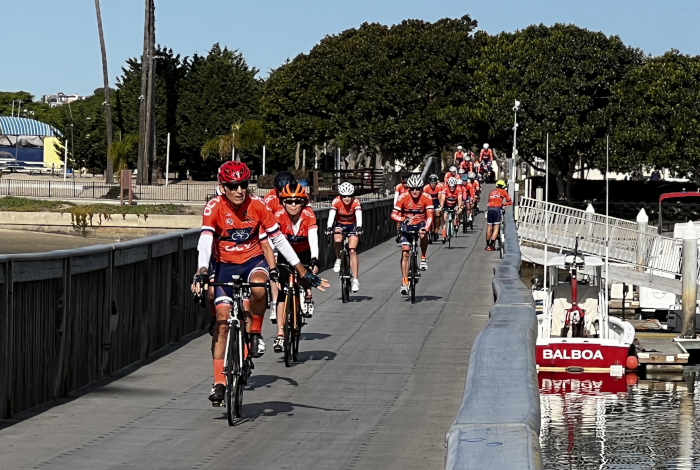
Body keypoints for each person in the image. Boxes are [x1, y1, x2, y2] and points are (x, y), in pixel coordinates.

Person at [191, 161, 327, 406]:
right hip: (223, 263)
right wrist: (201, 271)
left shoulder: (258, 205)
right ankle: (219, 383)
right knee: (222, 323)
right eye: (233, 186)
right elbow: (204, 241)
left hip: (253, 261)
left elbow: (278, 240)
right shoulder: (214, 207)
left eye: (243, 185)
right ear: (223, 187)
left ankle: (254, 331)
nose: (239, 190)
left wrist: (301, 270)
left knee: (258, 286)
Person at [272, 183, 320, 352]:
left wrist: (314, 259)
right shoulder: (277, 215)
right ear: (283, 203)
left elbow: (313, 238)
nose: (293, 205)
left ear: (303, 203)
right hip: (285, 254)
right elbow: (272, 243)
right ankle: (279, 334)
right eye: (289, 201)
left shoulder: (308, 215)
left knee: (306, 275)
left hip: (304, 251)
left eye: (297, 202)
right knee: (282, 294)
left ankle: (307, 294)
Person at [391, 175, 434, 294]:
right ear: (408, 189)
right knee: (405, 252)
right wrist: (402, 218)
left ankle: (423, 257)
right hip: (407, 225)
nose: (415, 191)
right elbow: (393, 214)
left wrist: (425, 228)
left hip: (421, 223)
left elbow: (430, 215)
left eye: (418, 189)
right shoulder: (403, 197)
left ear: (421, 188)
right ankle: (404, 281)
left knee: (423, 235)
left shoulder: (427, 197)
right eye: (412, 189)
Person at [327, 182, 362, 293]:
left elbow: (358, 215)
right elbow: (331, 215)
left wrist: (360, 226)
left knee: (352, 250)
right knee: (337, 239)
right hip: (339, 225)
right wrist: (328, 227)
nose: (347, 198)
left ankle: (355, 280)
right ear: (340, 196)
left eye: (349, 196)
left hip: (352, 226)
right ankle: (338, 259)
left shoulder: (356, 202)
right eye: (344, 196)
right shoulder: (336, 201)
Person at [485, 180, 513, 251]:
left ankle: (487, 245)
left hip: (489, 209)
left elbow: (489, 201)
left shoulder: (491, 192)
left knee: (489, 226)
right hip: (497, 209)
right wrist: (503, 204)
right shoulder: (503, 192)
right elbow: (510, 202)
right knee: (496, 226)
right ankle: (491, 245)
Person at [439, 176, 462, 243]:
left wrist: (459, 208)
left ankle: (456, 223)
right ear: (448, 185)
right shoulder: (445, 188)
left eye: (453, 186)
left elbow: (460, 199)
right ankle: (444, 236)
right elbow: (442, 198)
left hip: (455, 204)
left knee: (458, 212)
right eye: (450, 186)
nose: (452, 188)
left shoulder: (458, 188)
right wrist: (441, 207)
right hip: (446, 204)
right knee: (444, 218)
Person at [423, 174, 443, 241]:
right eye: (431, 183)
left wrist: (440, 206)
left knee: (437, 214)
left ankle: (436, 230)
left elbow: (440, 197)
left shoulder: (439, 187)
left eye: (434, 183)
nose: (433, 185)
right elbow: (424, 198)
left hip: (436, 202)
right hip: (428, 202)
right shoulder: (426, 188)